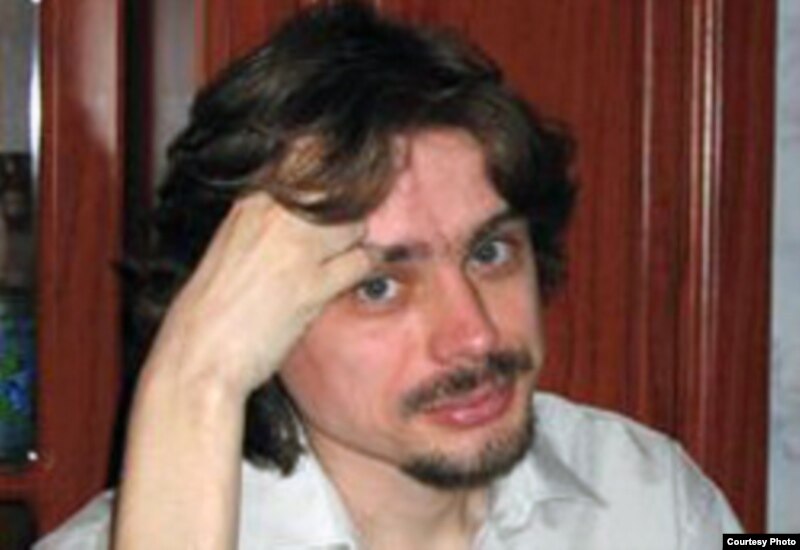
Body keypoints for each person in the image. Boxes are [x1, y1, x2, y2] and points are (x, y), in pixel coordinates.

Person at [36, 2, 742, 548]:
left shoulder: (646, 490)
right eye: (377, 287)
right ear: (249, 324)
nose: (474, 336)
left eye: (489, 253)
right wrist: (195, 377)